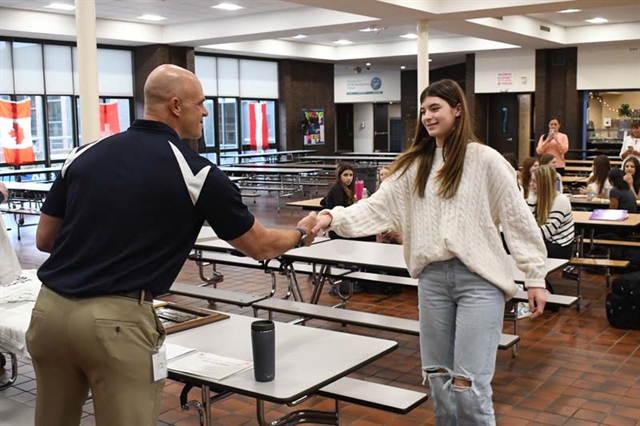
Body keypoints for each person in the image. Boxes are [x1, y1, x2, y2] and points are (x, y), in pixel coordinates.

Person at [26, 64, 318, 426]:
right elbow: (259, 245)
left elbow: (45, 239)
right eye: (202, 104)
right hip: (116, 323)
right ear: (177, 106)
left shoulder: (84, 154)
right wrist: (302, 234)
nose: (206, 112)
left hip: (49, 313)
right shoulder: (197, 172)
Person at [312, 79, 547, 425]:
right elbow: (375, 208)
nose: (427, 116)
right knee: (438, 379)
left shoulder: (485, 160)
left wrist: (535, 275)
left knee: (469, 386)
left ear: (457, 109)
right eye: (423, 110)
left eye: (435, 108)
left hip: (479, 282)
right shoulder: (414, 165)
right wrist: (333, 216)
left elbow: (517, 218)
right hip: (433, 282)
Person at [528, 166, 575, 259]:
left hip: (559, 245)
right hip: (544, 240)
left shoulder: (561, 201)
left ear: (544, 183)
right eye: (531, 180)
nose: (531, 184)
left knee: (525, 250)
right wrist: (531, 198)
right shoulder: (536, 197)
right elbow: (529, 222)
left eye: (534, 181)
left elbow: (547, 231)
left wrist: (524, 236)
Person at [375, 165, 402, 244]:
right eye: (381, 174)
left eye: (386, 174)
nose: (383, 176)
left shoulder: (397, 190)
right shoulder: (378, 192)